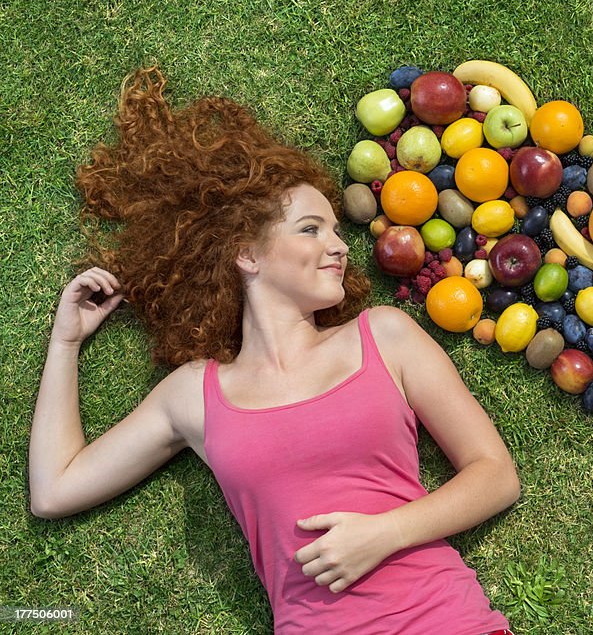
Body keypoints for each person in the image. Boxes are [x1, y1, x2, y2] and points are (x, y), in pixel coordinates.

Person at [29, 67, 521, 634]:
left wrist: (385, 533)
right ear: (247, 254)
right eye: (311, 229)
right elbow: (55, 489)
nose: (338, 247)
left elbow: (495, 475)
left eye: (336, 231)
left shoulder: (384, 336)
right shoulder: (196, 393)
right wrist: (65, 343)